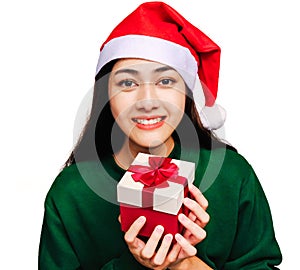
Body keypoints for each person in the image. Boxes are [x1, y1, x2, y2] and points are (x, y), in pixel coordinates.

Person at [38, 2, 282, 269]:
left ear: (186, 92)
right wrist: (135, 264)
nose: (147, 101)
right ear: (107, 93)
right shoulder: (70, 193)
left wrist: (184, 263)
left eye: (165, 81)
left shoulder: (233, 176)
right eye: (127, 83)